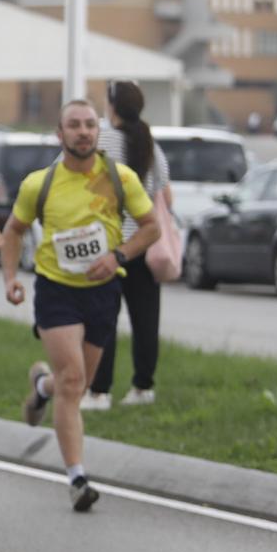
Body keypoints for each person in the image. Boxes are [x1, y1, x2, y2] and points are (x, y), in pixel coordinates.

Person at [0, 99, 159, 513]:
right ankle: (77, 477)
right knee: (73, 381)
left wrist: (118, 256)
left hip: (103, 290)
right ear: (60, 133)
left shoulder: (120, 178)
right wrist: (11, 278)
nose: (84, 132)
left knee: (77, 384)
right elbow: (14, 230)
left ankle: (40, 386)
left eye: (90, 125)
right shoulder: (41, 183)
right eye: (75, 125)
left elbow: (151, 227)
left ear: (98, 132)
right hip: (56, 290)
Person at [87, 81, 172, 410]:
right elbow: (163, 185)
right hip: (146, 243)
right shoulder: (149, 140)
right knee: (146, 319)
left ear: (112, 106)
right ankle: (143, 387)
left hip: (109, 245)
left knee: (103, 319)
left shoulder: (103, 139)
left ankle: (100, 390)